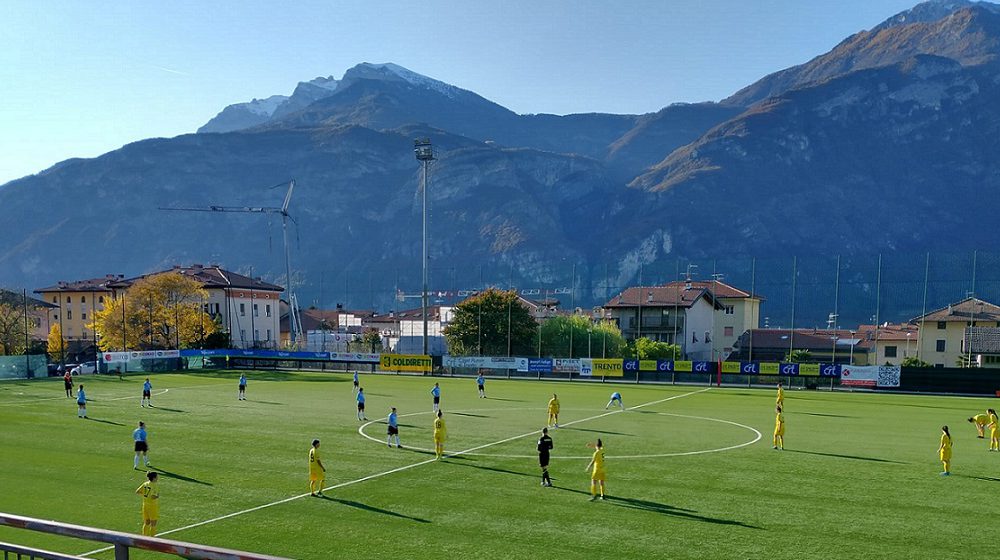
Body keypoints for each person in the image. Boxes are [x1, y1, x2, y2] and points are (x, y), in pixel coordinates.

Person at [135, 471, 159, 536]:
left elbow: (137, 491)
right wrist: (157, 496)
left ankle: (144, 536)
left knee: (146, 522)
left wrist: (145, 495)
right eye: (157, 477)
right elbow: (153, 496)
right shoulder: (154, 485)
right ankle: (152, 539)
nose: (158, 478)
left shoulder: (145, 484)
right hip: (152, 506)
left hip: (145, 505)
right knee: (153, 523)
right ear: (154, 478)